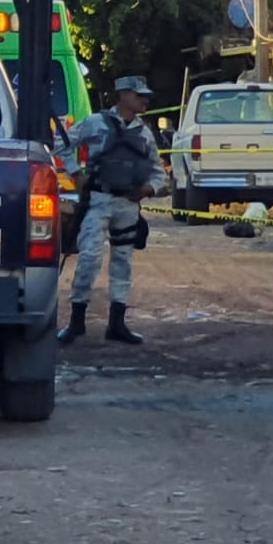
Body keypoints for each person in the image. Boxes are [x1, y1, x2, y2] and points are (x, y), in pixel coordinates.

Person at [57, 75, 167, 346]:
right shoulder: (96, 123)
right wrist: (75, 174)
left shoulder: (144, 133)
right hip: (99, 200)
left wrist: (148, 189)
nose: (144, 101)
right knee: (89, 258)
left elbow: (158, 172)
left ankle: (117, 324)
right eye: (139, 95)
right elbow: (60, 143)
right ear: (123, 95)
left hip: (128, 205)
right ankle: (76, 322)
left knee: (123, 262)